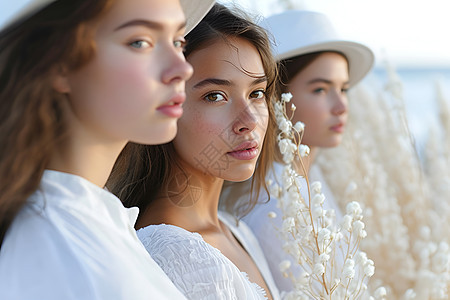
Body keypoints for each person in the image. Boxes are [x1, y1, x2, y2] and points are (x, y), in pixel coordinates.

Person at [0, 0, 214, 299]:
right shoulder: (52, 248)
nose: (182, 68)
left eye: (178, 41)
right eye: (140, 42)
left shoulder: (92, 222)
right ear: (58, 63)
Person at [107, 3, 281, 299]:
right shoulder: (174, 256)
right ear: (166, 104)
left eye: (256, 93)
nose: (249, 121)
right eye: (215, 96)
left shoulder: (235, 230)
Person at [220, 10, 374, 294]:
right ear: (275, 97)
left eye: (344, 89)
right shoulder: (274, 202)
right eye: (320, 89)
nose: (341, 106)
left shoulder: (308, 178)